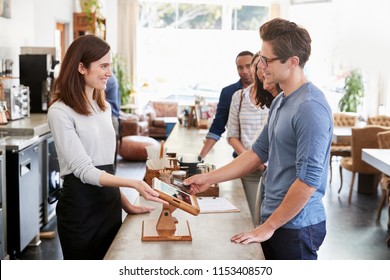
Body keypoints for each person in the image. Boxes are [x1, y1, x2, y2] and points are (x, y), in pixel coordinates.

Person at [184, 18, 333, 260]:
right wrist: (208, 178)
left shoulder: (310, 108)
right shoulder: (281, 100)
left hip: (297, 227)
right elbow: (255, 154)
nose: (260, 66)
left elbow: (308, 181)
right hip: (276, 219)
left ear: (293, 62)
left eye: (267, 59)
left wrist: (269, 226)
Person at [47, 35, 167, 260]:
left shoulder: (102, 107)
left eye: (109, 65)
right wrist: (134, 183)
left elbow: (106, 170)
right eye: (103, 66)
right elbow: (85, 171)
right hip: (80, 209)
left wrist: (125, 203)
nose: (109, 73)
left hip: (108, 206)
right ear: (81, 67)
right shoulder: (60, 112)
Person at [226, 53, 268, 225]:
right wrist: (250, 159)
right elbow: (232, 135)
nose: (261, 71)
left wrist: (264, 161)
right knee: (252, 219)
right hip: (248, 170)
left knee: (271, 221)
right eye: (256, 67)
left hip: (273, 170)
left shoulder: (277, 97)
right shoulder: (239, 97)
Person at [198, 51, 254, 160]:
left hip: (269, 161)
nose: (245, 71)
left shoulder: (270, 90)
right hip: (241, 158)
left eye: (249, 66)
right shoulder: (229, 93)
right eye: (240, 68)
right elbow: (218, 126)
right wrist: (200, 157)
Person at [104, 73, 121, 172]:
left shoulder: (107, 80)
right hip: (113, 117)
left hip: (109, 118)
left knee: (108, 155)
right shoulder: (112, 78)